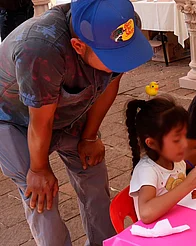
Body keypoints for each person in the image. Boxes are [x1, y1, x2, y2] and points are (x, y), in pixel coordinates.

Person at [0, 0, 153, 245]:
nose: (123, 64)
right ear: (78, 46)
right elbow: (41, 120)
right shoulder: (41, 49)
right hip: (14, 118)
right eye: (113, 58)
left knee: (94, 178)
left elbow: (111, 83)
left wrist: (89, 137)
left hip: (65, 108)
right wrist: (38, 170)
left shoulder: (122, 24)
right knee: (43, 198)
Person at [126, 97, 196, 223]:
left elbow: (175, 175)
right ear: (152, 143)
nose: (184, 144)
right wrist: (189, 184)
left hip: (181, 220)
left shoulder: (174, 160)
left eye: (185, 136)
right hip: (159, 234)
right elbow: (146, 214)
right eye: (176, 140)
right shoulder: (147, 171)